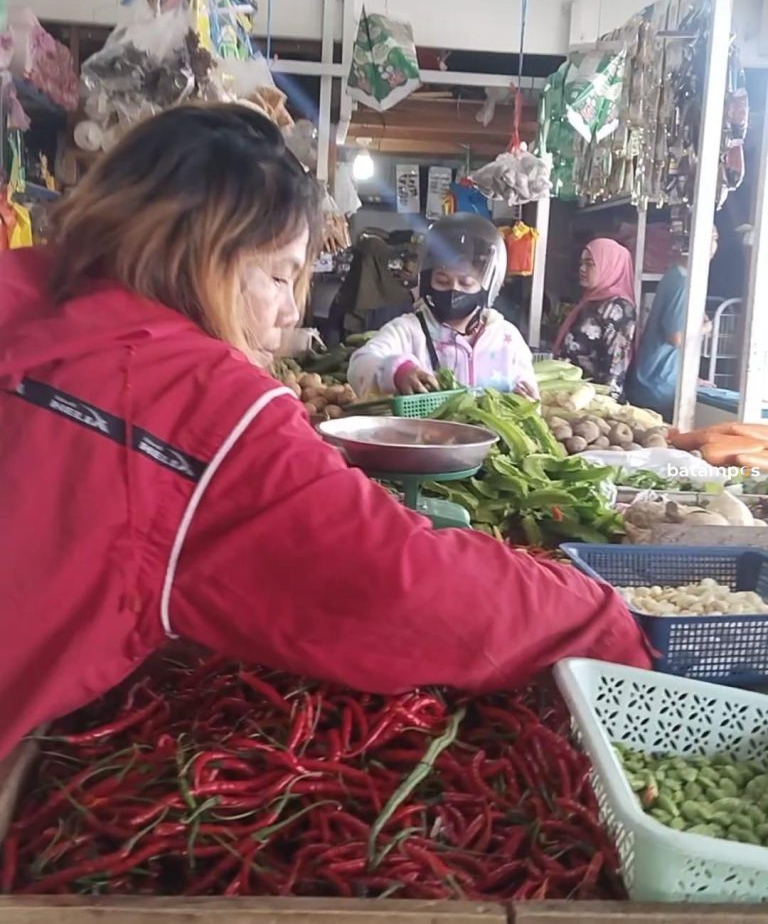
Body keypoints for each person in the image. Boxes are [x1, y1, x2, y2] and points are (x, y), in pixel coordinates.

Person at [0, 103, 650, 761]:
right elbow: (401, 584)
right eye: (281, 274)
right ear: (204, 250)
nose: (288, 310)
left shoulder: (20, 284)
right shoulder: (198, 406)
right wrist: (595, 619)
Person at [347, 215, 538, 398]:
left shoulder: (507, 339)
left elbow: (530, 395)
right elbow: (359, 365)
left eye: (466, 283)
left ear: (488, 287)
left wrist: (525, 401)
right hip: (423, 432)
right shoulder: (408, 331)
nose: (454, 290)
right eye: (442, 280)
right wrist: (397, 370)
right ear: (427, 280)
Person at [626, 229, 718, 422]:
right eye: (710, 239)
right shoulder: (682, 283)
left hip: (653, 378)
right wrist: (705, 329)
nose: (713, 246)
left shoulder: (675, 276)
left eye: (715, 239)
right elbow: (675, 337)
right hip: (659, 384)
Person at [553, 238, 637, 398]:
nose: (582, 269)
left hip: (590, 399)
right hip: (570, 393)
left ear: (609, 266)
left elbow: (615, 367)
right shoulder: (591, 301)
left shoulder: (618, 308)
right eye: (581, 263)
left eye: (590, 263)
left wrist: (603, 407)